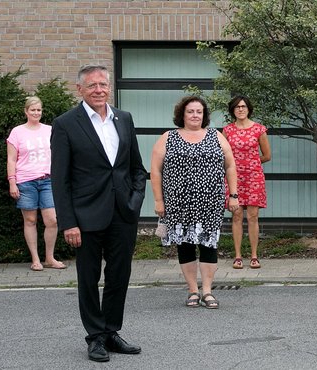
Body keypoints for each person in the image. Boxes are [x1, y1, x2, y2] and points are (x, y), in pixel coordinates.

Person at [50, 65, 147, 362]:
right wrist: (68, 222)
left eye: (103, 85)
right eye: (92, 86)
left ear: (109, 87)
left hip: (122, 214)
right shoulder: (66, 123)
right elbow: (60, 178)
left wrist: (134, 202)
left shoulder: (124, 119)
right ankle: (95, 337)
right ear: (79, 89)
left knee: (119, 276)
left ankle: (111, 331)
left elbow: (136, 169)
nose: (99, 90)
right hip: (85, 216)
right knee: (88, 279)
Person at [151, 96, 239, 309]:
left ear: (204, 115)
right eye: (190, 111)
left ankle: (207, 291)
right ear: (182, 114)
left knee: (209, 246)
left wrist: (233, 195)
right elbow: (155, 170)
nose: (195, 115)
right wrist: (159, 200)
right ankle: (192, 290)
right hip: (178, 204)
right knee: (186, 246)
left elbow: (230, 166)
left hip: (210, 203)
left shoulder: (216, 136)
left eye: (199, 111)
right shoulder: (168, 137)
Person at [7, 96, 65, 272]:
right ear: (26, 111)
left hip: (47, 180)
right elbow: (11, 159)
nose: (36, 113)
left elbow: (59, 153)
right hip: (25, 181)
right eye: (32, 110)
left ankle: (49, 258)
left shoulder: (50, 130)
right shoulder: (17, 132)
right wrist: (12, 182)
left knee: (52, 220)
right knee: (30, 220)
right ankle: (35, 259)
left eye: (39, 110)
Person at [223, 95, 271, 270]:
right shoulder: (227, 131)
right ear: (233, 110)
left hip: (253, 177)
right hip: (234, 178)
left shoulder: (259, 129)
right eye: (237, 107)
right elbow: (223, 156)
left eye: (243, 106)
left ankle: (254, 255)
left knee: (252, 216)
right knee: (236, 216)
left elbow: (267, 155)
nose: (240, 109)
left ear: (249, 108)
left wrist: (251, 162)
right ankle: (237, 256)